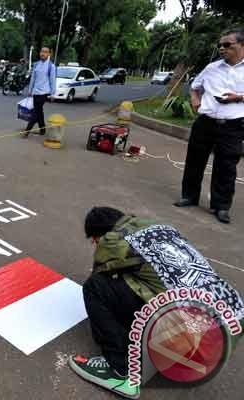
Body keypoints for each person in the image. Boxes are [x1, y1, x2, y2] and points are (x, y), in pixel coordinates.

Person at [70, 207, 244, 399]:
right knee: (147, 283)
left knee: (95, 287)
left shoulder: (114, 240)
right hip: (229, 326)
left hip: (195, 342)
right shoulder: (159, 227)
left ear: (98, 234)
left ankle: (120, 371)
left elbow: (100, 272)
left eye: (93, 240)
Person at [174, 27, 244, 224]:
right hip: (205, 123)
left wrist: (238, 97)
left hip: (232, 126)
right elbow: (195, 87)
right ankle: (189, 196)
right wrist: (195, 100)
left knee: (226, 167)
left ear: (241, 45)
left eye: (227, 45)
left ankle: (221, 207)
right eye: (220, 45)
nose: (222, 48)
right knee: (194, 160)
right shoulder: (212, 68)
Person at [21, 47, 56, 138]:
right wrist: (30, 90)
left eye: (45, 52)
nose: (42, 53)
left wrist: (52, 93)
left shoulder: (51, 66)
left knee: (35, 112)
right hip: (36, 92)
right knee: (39, 112)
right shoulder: (36, 64)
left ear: (49, 54)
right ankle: (42, 129)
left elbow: (52, 81)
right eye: (41, 51)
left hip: (44, 93)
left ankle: (27, 131)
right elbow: (33, 78)